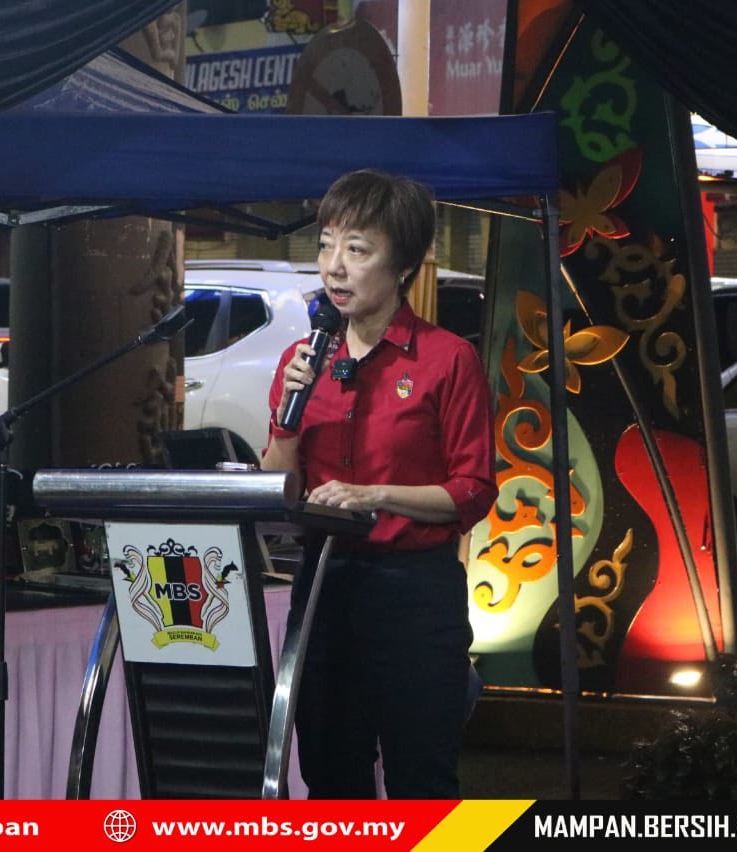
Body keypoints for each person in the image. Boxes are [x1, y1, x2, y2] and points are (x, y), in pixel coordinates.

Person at [262, 169, 496, 798]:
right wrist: (286, 425)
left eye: (357, 249)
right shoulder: (301, 360)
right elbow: (276, 491)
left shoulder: (448, 359)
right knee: (332, 780)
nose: (334, 267)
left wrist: (375, 496)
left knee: (422, 778)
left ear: (404, 265)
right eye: (326, 246)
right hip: (323, 589)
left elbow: (473, 490)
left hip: (413, 595)